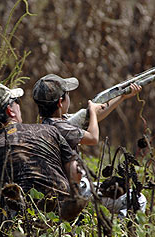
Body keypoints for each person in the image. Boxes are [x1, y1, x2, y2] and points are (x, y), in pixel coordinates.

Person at [32, 74, 146, 215]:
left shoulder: (48, 124)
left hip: (67, 187)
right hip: (77, 189)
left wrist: (121, 96)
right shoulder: (61, 127)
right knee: (137, 199)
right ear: (61, 102)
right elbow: (92, 138)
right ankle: (122, 232)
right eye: (67, 94)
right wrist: (92, 111)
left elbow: (95, 116)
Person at [0, 83, 86, 222]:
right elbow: (75, 172)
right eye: (16, 102)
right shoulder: (49, 130)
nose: (19, 105)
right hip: (63, 217)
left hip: (22, 221)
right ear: (10, 111)